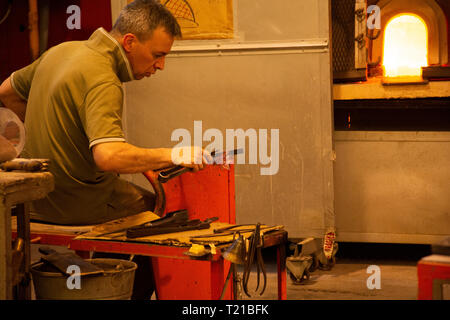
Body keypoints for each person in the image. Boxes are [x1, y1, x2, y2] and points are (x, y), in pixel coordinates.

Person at [0, 0, 211, 299]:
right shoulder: (104, 79)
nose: (160, 65)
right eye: (157, 55)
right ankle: (116, 292)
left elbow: (6, 93)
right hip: (75, 205)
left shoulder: (60, 51)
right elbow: (108, 156)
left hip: (33, 199)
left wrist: (46, 128)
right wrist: (174, 154)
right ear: (129, 42)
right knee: (162, 215)